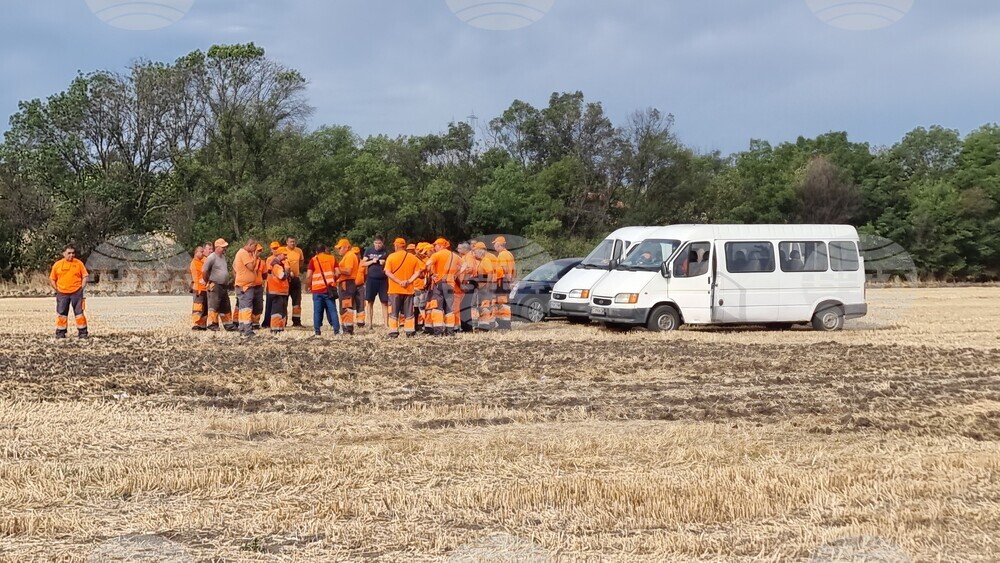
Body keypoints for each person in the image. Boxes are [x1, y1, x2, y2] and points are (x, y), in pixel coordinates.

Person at [384, 238, 425, 338]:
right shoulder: (412, 257)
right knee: (409, 313)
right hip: (409, 289)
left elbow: (387, 272)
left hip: (394, 289)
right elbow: (418, 272)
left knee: (393, 312)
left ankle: (393, 332)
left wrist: (399, 282)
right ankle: (410, 331)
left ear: (396, 246)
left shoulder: (391, 257)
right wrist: (409, 281)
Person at [49, 245, 89, 339]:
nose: (71, 255)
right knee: (62, 313)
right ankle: (60, 333)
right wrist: (57, 289)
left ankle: (83, 332)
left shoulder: (79, 264)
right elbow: (52, 279)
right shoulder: (57, 265)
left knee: (79, 313)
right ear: (64, 254)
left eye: (73, 253)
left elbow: (85, 276)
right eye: (69, 253)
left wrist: (81, 288)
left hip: (76, 293)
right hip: (62, 293)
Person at [426, 238, 460, 336]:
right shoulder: (454, 255)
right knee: (450, 308)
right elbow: (464, 266)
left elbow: (427, 264)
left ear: (440, 246)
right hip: (450, 283)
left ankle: (438, 331)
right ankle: (450, 331)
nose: (434, 247)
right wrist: (455, 274)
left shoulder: (436, 255)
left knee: (437, 307)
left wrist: (431, 274)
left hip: (439, 283)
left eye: (435, 245)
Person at [307, 243, 341, 336]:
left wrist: (309, 286)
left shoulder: (313, 260)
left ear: (316, 252)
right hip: (329, 289)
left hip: (317, 290)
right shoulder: (332, 258)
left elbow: (309, 276)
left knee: (317, 311)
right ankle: (336, 331)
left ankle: (317, 331)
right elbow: (338, 272)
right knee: (333, 310)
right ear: (325, 250)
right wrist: (333, 280)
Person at [202, 238, 236, 331]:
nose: (225, 248)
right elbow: (204, 271)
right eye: (223, 247)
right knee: (214, 305)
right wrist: (207, 281)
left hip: (223, 285)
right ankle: (212, 324)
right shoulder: (211, 257)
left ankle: (228, 324)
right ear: (217, 247)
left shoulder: (223, 257)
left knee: (225, 305)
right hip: (215, 284)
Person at [233, 238, 260, 339]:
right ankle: (247, 330)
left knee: (242, 308)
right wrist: (255, 257)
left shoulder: (241, 253)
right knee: (247, 308)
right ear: (249, 244)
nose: (255, 249)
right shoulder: (244, 253)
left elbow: (234, 266)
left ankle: (242, 327)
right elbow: (251, 267)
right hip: (245, 286)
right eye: (254, 246)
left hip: (243, 284)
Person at [362, 235, 390, 328]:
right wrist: (372, 261)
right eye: (376, 243)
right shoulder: (369, 251)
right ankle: (369, 324)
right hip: (371, 279)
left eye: (379, 243)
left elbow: (391, 264)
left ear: (382, 243)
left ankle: (386, 324)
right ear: (373, 243)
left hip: (383, 280)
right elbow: (363, 263)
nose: (378, 245)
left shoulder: (386, 252)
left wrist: (384, 263)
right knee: (370, 301)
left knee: (384, 302)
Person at [472, 242, 499, 331]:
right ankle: (485, 324)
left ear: (480, 251)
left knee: (485, 305)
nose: (474, 253)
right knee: (483, 305)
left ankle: (485, 325)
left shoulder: (485, 260)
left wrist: (487, 285)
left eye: (475, 251)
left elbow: (490, 272)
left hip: (485, 286)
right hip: (483, 286)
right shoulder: (482, 260)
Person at [335, 239, 359, 335]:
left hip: (347, 284)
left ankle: (348, 329)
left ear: (345, 247)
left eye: (340, 248)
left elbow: (348, 271)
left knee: (346, 306)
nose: (338, 250)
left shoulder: (349, 256)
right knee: (345, 306)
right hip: (347, 283)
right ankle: (347, 327)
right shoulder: (348, 256)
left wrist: (338, 270)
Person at [493, 237, 517, 331]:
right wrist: (512, 280)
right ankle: (504, 324)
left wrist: (507, 280)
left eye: (495, 244)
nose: (494, 246)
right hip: (506, 281)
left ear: (499, 245)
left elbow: (504, 269)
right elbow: (514, 268)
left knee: (502, 303)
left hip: (502, 281)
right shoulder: (509, 254)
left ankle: (505, 325)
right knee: (504, 303)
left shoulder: (502, 255)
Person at [266, 248, 290, 333]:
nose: (286, 257)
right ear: (279, 255)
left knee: (282, 311)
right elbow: (282, 276)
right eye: (284, 255)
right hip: (276, 291)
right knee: (277, 311)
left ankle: (280, 328)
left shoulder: (279, 264)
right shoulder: (276, 265)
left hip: (281, 291)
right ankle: (275, 328)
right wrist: (287, 269)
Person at [283, 237, 306, 327]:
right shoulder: (283, 251)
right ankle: (283, 321)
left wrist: (297, 269)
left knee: (297, 301)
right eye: (291, 242)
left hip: (295, 278)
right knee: (284, 301)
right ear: (287, 242)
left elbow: (301, 261)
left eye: (294, 242)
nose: (293, 243)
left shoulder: (299, 251)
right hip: (286, 279)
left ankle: (296, 321)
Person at [190, 245, 208, 331]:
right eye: (201, 252)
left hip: (204, 288)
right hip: (198, 288)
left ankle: (202, 324)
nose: (203, 253)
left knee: (205, 307)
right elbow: (203, 272)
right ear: (196, 253)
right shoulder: (194, 263)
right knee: (198, 307)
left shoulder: (201, 261)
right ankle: (196, 323)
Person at [353, 246, 368, 329]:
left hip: (360, 286)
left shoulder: (363, 263)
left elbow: (366, 275)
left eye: (357, 254)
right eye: (354, 254)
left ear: (359, 254)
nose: (356, 255)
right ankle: (348, 322)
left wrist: (362, 283)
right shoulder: (349, 262)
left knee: (361, 304)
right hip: (350, 286)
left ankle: (360, 322)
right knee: (349, 304)